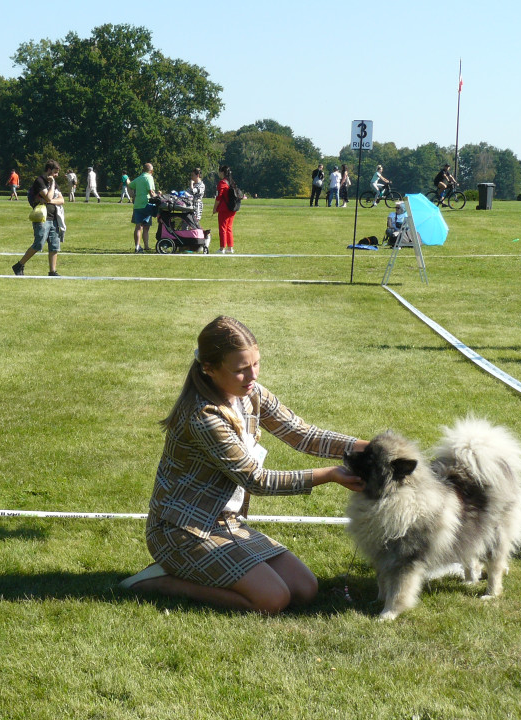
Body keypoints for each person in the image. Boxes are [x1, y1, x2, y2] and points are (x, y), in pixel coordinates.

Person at [120, 316, 368, 614]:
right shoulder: (203, 415)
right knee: (271, 600)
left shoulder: (251, 395)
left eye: (256, 364)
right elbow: (256, 480)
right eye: (240, 370)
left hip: (227, 523)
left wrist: (367, 446)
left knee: (305, 588)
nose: (252, 376)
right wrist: (328, 475)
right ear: (209, 368)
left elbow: (303, 435)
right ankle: (163, 582)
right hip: (180, 532)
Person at [12, 159, 63, 277]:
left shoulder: (54, 182)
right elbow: (49, 196)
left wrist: (50, 200)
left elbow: (61, 200)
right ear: (49, 170)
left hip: (54, 218)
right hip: (42, 219)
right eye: (55, 172)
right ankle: (19, 265)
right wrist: (52, 187)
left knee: (54, 245)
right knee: (38, 244)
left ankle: (52, 271)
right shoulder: (39, 181)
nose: (57, 175)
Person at [129, 163, 157, 253]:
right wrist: (158, 197)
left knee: (138, 226)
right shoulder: (149, 177)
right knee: (147, 226)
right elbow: (151, 192)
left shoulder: (139, 178)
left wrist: (133, 195)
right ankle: (146, 245)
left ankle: (137, 246)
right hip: (147, 204)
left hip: (137, 205)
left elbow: (129, 185)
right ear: (151, 171)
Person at [212, 165, 238, 254]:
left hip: (224, 208)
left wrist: (215, 208)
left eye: (219, 172)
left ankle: (222, 248)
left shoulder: (222, 183)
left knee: (222, 228)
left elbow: (219, 197)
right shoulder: (231, 182)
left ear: (222, 172)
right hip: (232, 208)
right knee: (229, 228)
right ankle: (230, 248)